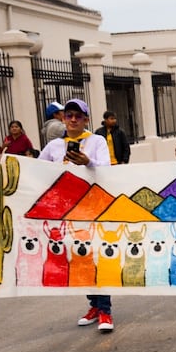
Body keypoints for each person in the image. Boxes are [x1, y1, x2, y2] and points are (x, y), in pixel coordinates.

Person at [37, 99, 115, 332]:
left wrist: (88, 162)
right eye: (69, 115)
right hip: (67, 209)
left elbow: (107, 169)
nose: (73, 120)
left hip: (92, 206)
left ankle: (105, 311)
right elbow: (38, 170)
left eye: (78, 116)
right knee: (80, 259)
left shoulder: (96, 141)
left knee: (96, 256)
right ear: (63, 118)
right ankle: (94, 305)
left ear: (86, 119)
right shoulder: (54, 146)